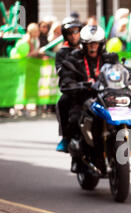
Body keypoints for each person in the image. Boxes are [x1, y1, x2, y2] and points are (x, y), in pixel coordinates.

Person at [59, 24, 119, 173]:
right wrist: (76, 84)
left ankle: (130, 145)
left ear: (101, 44)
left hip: (107, 97)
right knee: (74, 118)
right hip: (84, 98)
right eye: (89, 44)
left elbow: (122, 71)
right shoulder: (73, 59)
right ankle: (76, 156)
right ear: (83, 45)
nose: (93, 47)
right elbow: (66, 78)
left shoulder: (109, 58)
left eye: (96, 44)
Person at [55, 17, 83, 153]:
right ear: (66, 35)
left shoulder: (88, 47)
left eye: (76, 31)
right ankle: (65, 137)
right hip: (73, 88)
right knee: (62, 103)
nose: (73, 35)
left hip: (92, 86)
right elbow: (60, 71)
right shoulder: (62, 52)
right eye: (70, 32)